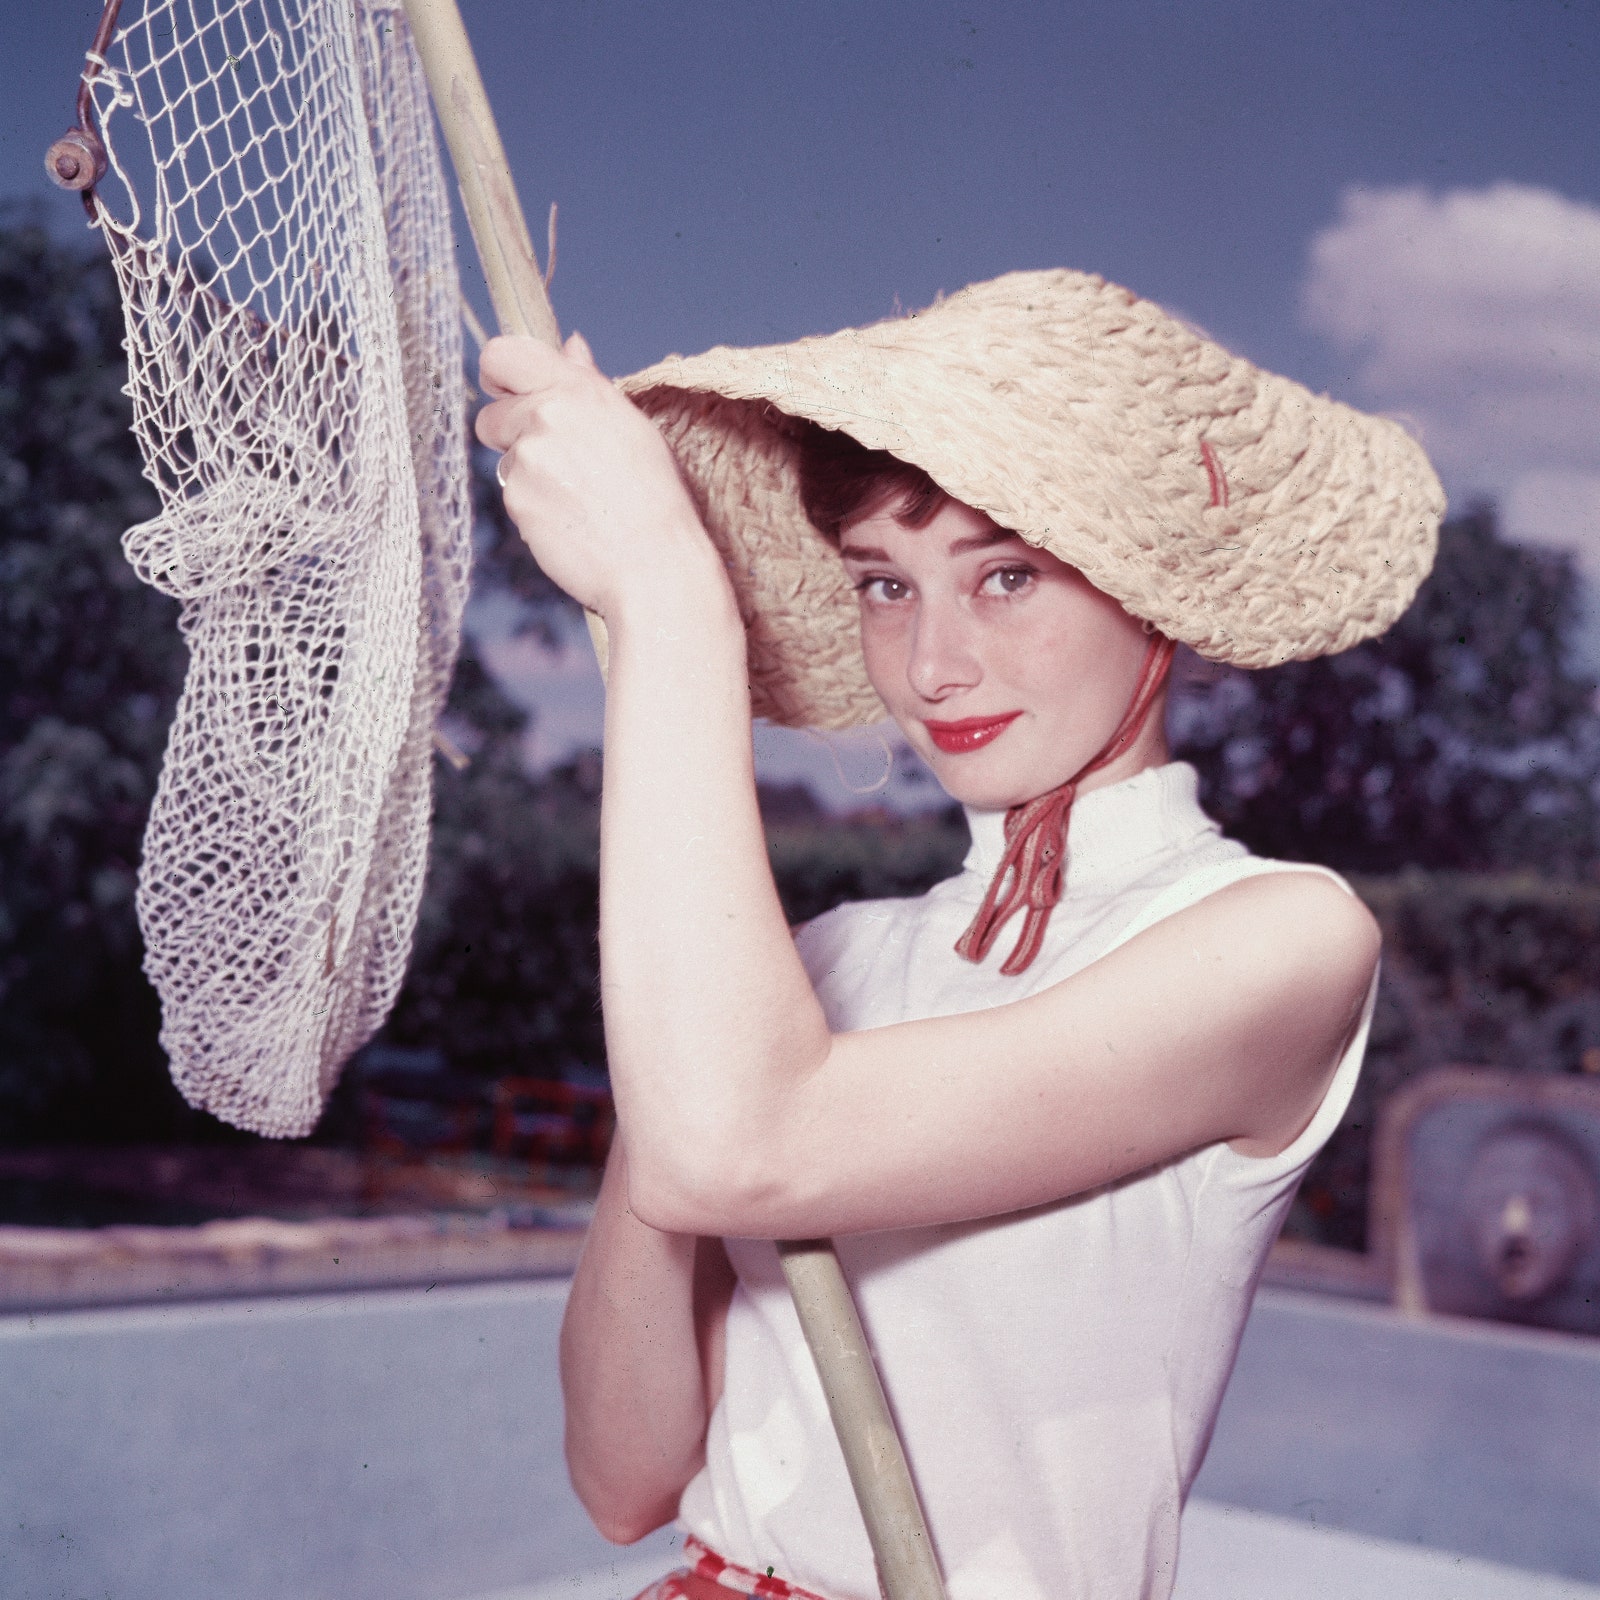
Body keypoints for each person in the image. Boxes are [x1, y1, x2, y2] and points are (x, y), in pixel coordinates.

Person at [475, 269, 1443, 1600]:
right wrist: (679, 1059)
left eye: (1005, 574)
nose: (934, 665)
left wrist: (669, 600)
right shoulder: (815, 964)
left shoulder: (1276, 939)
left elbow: (743, 1149)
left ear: (1145, 584)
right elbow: (622, 1479)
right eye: (884, 585)